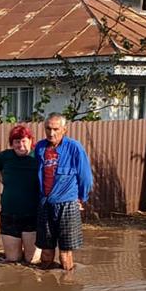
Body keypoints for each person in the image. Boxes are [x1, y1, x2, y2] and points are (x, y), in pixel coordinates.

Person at [34, 113, 93, 272]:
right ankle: (45, 288)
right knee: (45, 251)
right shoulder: (40, 147)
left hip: (67, 204)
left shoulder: (74, 147)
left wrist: (81, 199)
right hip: (45, 204)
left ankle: (67, 288)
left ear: (64, 130)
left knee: (65, 254)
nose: (51, 133)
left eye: (55, 129)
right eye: (48, 128)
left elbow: (86, 177)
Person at [0, 124, 40, 263]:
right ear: (12, 143)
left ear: (30, 141)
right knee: (12, 260)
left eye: (24, 140)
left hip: (33, 214)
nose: (20, 145)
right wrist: (6, 181)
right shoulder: (5, 156)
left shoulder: (38, 156)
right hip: (10, 214)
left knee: (32, 260)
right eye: (17, 141)